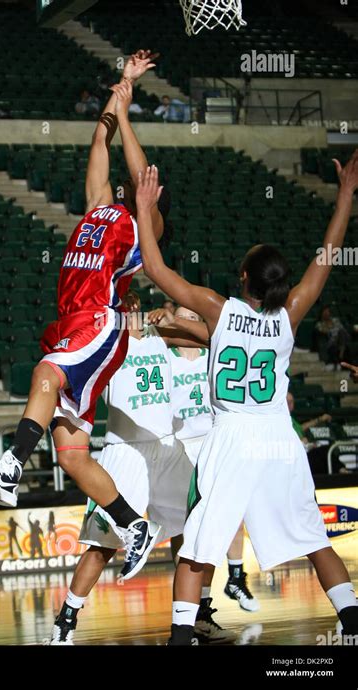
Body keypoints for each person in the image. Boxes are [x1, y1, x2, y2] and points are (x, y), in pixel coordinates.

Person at [133, 150, 358, 644]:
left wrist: (144, 209)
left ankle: (179, 636)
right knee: (314, 540)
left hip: (232, 435)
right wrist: (344, 197)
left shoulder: (218, 308)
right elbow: (327, 255)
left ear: (243, 280)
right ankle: (353, 621)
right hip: (278, 436)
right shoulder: (291, 313)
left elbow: (154, 267)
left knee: (198, 544)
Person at [0, 50, 169, 581]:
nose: (127, 181)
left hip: (100, 322)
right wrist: (121, 88)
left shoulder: (143, 223)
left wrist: (127, 117)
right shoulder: (98, 207)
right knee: (73, 454)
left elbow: (134, 167)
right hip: (74, 320)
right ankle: (133, 525)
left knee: (45, 374)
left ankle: (10, 467)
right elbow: (97, 142)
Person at [51, 291, 235, 645]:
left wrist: (174, 320)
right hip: (125, 452)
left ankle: (191, 619)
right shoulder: (105, 342)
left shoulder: (159, 336)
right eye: (124, 305)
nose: (132, 309)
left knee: (195, 524)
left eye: (133, 304)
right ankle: (66, 621)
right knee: (103, 544)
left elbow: (211, 337)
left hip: (166, 445)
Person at [153, 305, 260, 613]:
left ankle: (231, 579)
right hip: (178, 448)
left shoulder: (214, 357)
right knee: (184, 531)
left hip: (213, 444)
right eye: (182, 315)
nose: (187, 321)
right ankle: (191, 605)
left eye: (192, 316)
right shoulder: (163, 357)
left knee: (228, 512)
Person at [286, 392, 349, 475]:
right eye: (288, 402)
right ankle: (341, 471)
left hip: (305, 450)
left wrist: (320, 419)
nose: (291, 405)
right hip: (297, 456)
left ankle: (341, 471)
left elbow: (301, 427)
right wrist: (299, 441)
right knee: (323, 452)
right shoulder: (281, 420)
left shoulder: (291, 418)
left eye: (292, 402)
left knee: (324, 451)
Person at [314, 305, 351, 370]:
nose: (326, 314)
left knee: (342, 333)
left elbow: (342, 329)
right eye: (324, 312)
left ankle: (340, 355)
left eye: (327, 312)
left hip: (340, 339)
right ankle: (340, 356)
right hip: (329, 341)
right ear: (321, 314)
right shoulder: (319, 324)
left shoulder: (335, 320)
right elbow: (324, 332)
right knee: (340, 336)